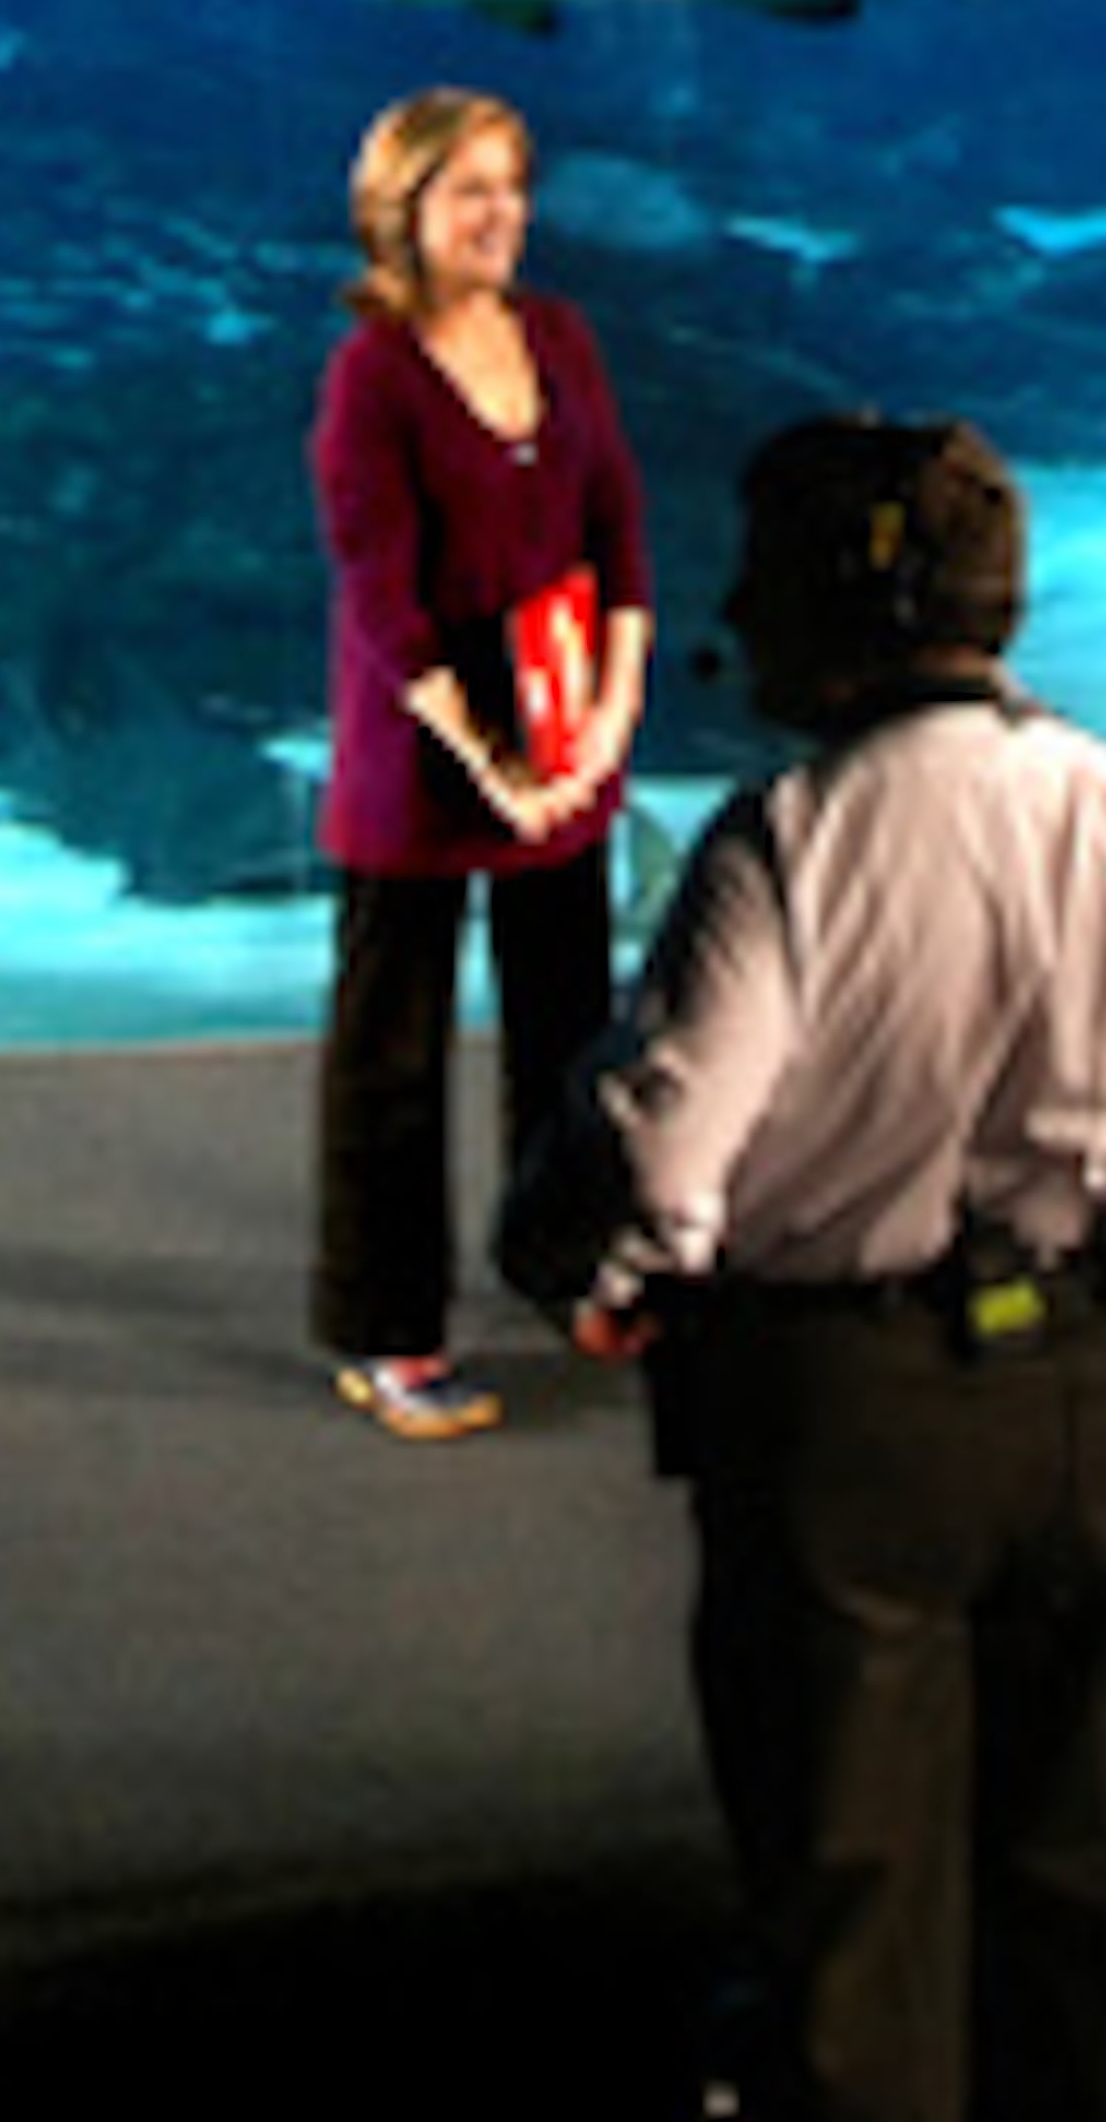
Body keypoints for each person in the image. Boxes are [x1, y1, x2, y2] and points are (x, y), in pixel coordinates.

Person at [502, 411, 1106, 2122]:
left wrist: (590, 1258)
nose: (731, 607)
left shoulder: (787, 836)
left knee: (858, 1926)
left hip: (848, 1417)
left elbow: (664, 1156)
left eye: (760, 571)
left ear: (835, 598)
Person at [306, 85, 654, 1442]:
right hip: (423, 759)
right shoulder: (372, 373)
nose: (500, 213)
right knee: (389, 1058)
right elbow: (379, 595)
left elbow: (617, 524)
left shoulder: (561, 333)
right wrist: (488, 757)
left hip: (564, 748)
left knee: (572, 1034)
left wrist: (614, 712)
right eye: (469, 189)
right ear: (403, 209)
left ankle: (568, 1267)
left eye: (512, 183)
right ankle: (390, 1327)